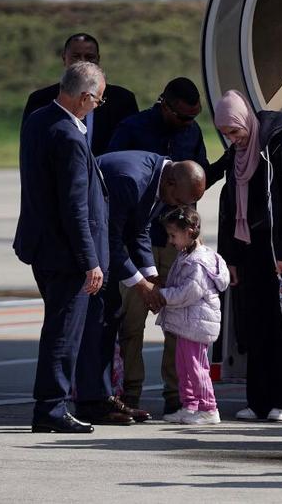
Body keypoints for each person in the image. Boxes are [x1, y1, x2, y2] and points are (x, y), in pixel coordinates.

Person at [106, 77, 231, 415]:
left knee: (179, 324)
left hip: (178, 245)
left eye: (195, 117)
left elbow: (200, 176)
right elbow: (118, 191)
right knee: (131, 323)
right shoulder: (132, 129)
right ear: (165, 104)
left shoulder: (191, 133)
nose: (189, 123)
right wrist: (144, 275)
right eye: (183, 116)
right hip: (138, 241)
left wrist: (228, 160)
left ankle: (177, 397)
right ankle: (129, 394)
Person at [75, 151, 206, 425]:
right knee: (96, 325)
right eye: (181, 201)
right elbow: (111, 238)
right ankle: (90, 402)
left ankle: (101, 397)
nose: (180, 207)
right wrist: (141, 284)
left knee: (108, 319)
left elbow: (140, 229)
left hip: (104, 255)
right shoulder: (131, 180)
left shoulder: (160, 180)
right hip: (83, 255)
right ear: (170, 183)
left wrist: (152, 275)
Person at [14, 62, 109, 433]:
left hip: (41, 247)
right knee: (63, 333)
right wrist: (91, 261)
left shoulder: (38, 119)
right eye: (98, 101)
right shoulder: (69, 136)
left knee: (57, 328)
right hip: (66, 254)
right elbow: (74, 207)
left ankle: (51, 406)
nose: (97, 106)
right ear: (85, 97)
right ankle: (51, 409)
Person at [215, 90, 282, 422]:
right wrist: (229, 257)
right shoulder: (236, 156)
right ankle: (258, 400)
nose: (232, 139)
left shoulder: (280, 146)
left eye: (235, 131)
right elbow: (227, 209)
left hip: (280, 252)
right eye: (226, 133)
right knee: (255, 326)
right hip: (248, 252)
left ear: (246, 122)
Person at [157, 206, 230, 425]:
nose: (171, 241)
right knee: (184, 366)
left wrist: (162, 295)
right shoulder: (186, 255)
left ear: (189, 232)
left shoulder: (197, 262)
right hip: (187, 323)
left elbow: (188, 292)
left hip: (197, 324)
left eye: (173, 235)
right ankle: (190, 405)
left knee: (197, 368)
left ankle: (208, 407)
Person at [22, 33, 138, 156]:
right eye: (76, 57)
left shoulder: (122, 100)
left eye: (89, 57)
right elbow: (29, 150)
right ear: (64, 58)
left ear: (98, 60)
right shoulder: (40, 100)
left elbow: (131, 147)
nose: (82, 62)